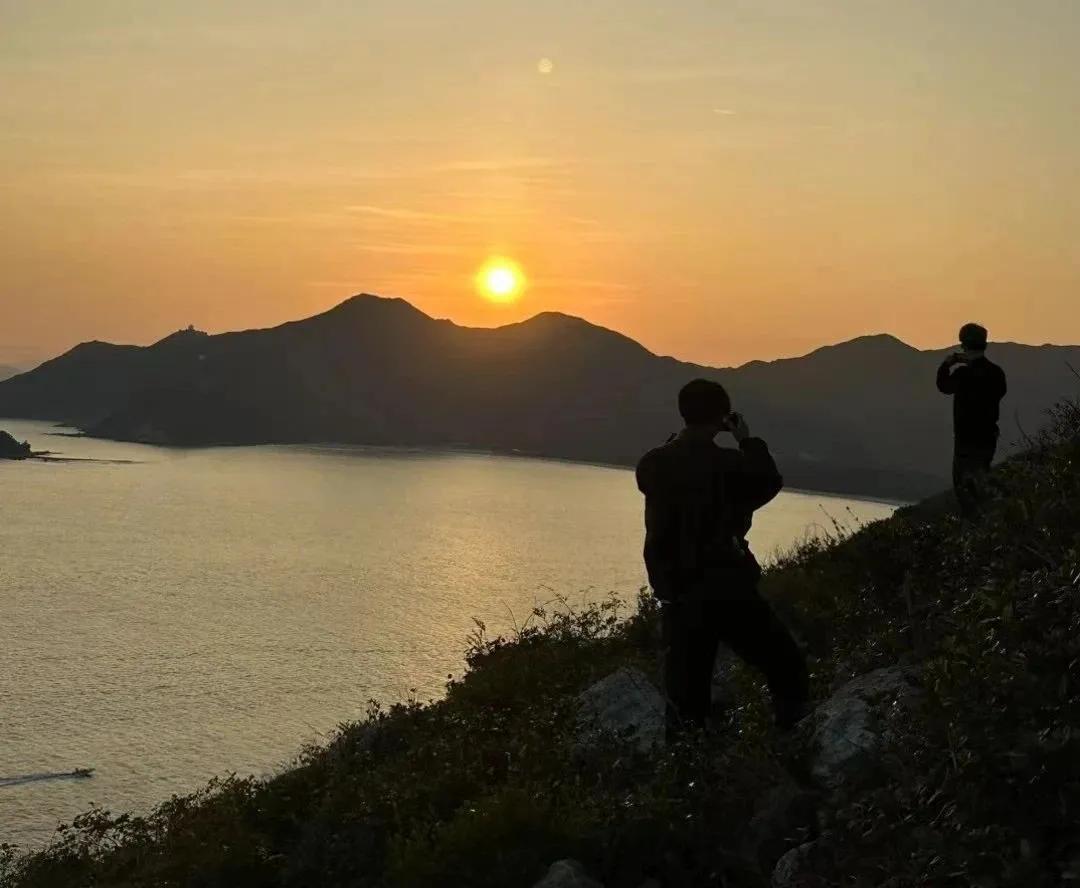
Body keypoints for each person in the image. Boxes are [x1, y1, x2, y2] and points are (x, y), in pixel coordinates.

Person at [635, 379, 808, 737]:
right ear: (722, 418)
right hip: (729, 589)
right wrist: (746, 439)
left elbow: (665, 482)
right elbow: (768, 480)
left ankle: (687, 777)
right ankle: (790, 742)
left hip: (679, 594)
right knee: (785, 665)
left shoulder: (653, 463)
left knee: (686, 699)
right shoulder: (730, 465)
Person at [935, 323, 1007, 516]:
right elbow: (1000, 392)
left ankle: (975, 529)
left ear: (964, 346)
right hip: (987, 438)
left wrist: (947, 365)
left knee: (964, 489)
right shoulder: (996, 373)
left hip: (965, 441)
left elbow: (943, 386)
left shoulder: (963, 375)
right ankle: (988, 524)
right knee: (981, 481)